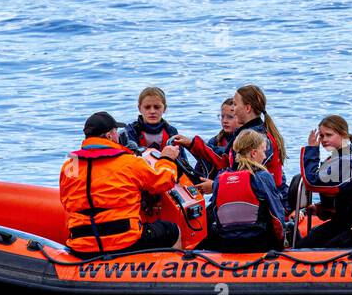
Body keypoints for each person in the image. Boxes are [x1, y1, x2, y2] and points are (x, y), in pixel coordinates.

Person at [59, 111, 182, 257]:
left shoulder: (71, 164)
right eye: (116, 132)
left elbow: (66, 201)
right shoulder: (129, 162)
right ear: (110, 135)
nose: (119, 136)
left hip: (81, 243)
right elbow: (164, 181)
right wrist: (167, 159)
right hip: (125, 241)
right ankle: (174, 272)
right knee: (172, 230)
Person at [175, 84, 287, 191]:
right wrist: (192, 144)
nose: (233, 109)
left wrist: (215, 186)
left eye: (235, 104)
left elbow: (249, 181)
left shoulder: (256, 138)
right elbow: (224, 158)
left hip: (265, 203)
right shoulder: (249, 133)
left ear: (247, 108)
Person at [202, 130, 288, 253]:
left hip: (227, 243)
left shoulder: (221, 178)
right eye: (263, 151)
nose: (264, 156)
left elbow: (215, 213)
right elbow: (276, 216)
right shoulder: (262, 177)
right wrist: (281, 244)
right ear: (253, 153)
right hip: (258, 243)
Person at [296, 115, 352, 249]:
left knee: (306, 248)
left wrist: (312, 150)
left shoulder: (349, 160)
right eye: (322, 136)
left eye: (328, 135)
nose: (323, 140)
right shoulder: (339, 157)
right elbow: (340, 194)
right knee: (304, 244)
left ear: (343, 134)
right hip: (341, 220)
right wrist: (321, 208)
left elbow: (312, 182)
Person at [192, 96, 238, 189]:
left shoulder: (245, 141)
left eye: (230, 117)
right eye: (222, 116)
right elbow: (200, 170)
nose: (224, 121)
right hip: (218, 188)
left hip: (233, 187)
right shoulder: (215, 142)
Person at [118, 86, 179, 151]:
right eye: (147, 107)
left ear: (164, 108)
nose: (152, 111)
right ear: (139, 108)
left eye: (157, 107)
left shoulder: (171, 132)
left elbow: (182, 159)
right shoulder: (129, 132)